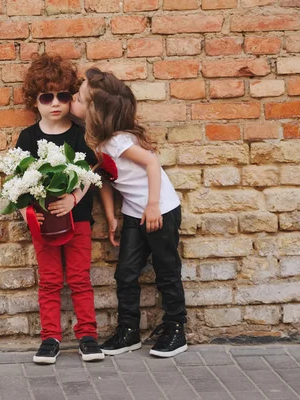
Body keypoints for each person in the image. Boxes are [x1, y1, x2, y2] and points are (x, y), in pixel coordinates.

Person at [70, 67, 188, 358]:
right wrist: (112, 216)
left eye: (79, 98)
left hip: (159, 211)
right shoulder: (97, 142)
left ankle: (176, 329)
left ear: (95, 111)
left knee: (167, 272)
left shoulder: (119, 141)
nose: (73, 100)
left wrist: (152, 206)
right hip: (135, 214)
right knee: (125, 273)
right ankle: (128, 331)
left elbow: (152, 163)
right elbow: (108, 180)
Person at [16, 53, 104, 364]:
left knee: (80, 278)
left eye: (63, 96)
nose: (55, 103)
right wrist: (29, 211)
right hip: (44, 224)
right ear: (35, 101)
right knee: (50, 280)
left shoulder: (80, 134)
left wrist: (73, 200)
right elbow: (19, 183)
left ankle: (88, 336)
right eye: (46, 97)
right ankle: (50, 337)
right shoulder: (28, 137)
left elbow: (91, 174)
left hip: (78, 220)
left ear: (70, 98)